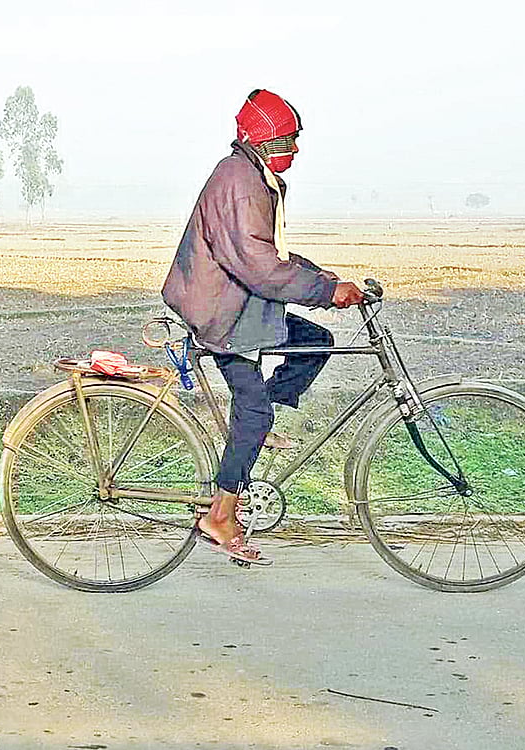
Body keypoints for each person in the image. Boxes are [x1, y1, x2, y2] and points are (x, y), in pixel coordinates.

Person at [162, 89, 365, 564]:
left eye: (294, 141)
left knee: (315, 341)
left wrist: (326, 280)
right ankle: (220, 515)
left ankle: (255, 424)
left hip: (240, 302)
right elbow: (259, 266)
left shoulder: (254, 176)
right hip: (222, 312)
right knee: (252, 414)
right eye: (286, 141)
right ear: (260, 140)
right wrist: (323, 292)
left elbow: (270, 254)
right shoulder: (241, 183)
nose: (293, 151)